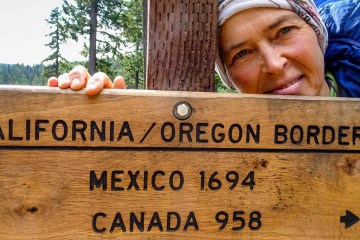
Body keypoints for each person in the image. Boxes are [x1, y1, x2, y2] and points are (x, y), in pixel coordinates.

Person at [48, 0, 358, 97]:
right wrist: (107, 127)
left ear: (317, 34)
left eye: (284, 31)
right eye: (241, 54)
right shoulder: (220, 161)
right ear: (230, 78)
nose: (274, 64)